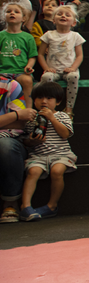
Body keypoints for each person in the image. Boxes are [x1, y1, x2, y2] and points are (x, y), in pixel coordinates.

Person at [18, 82, 74, 221]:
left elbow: (65, 134)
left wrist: (52, 118)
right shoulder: (30, 119)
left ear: (58, 101)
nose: (44, 101)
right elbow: (25, 140)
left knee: (57, 171)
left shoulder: (62, 116)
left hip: (60, 154)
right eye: (40, 98)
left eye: (49, 98)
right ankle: (25, 207)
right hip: (38, 155)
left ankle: (51, 205)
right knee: (33, 171)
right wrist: (32, 141)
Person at [38, 5, 84, 116]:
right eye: (60, 14)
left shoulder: (75, 36)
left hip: (69, 70)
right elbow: (40, 54)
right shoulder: (48, 35)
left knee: (73, 77)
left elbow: (79, 56)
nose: (63, 16)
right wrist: (46, 68)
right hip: (53, 70)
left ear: (73, 22)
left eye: (67, 15)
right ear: (54, 20)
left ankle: (69, 109)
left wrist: (73, 68)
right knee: (45, 77)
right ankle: (47, 107)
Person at [0, 75, 32, 223]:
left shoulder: (10, 85)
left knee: (5, 146)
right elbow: (18, 116)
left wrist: (18, 116)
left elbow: (21, 123)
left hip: (10, 141)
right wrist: (14, 115)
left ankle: (10, 203)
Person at [1, 2, 36, 97]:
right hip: (2, 72)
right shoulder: (1, 35)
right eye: (9, 11)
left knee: (27, 81)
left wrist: (29, 66)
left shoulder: (28, 37)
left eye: (16, 12)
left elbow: (32, 56)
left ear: (23, 18)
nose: (12, 13)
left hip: (21, 72)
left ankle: (28, 109)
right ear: (4, 17)